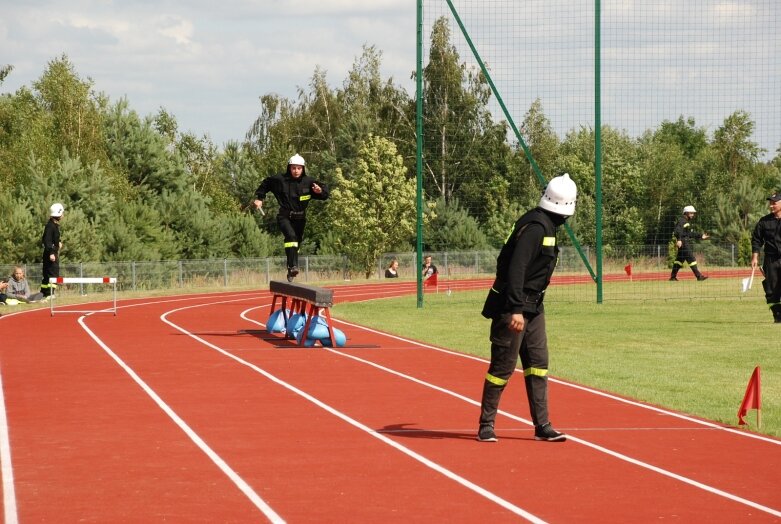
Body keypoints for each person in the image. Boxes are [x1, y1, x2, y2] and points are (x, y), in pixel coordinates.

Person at [477, 173, 577, 443]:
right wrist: (516, 310)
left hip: (534, 307)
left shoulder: (546, 225)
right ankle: (486, 425)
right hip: (514, 307)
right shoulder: (536, 227)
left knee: (538, 365)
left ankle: (542, 425)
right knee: (502, 367)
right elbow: (516, 268)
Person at [253, 154, 330, 282]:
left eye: (299, 168)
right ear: (289, 168)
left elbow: (325, 194)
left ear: (303, 169)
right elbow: (265, 184)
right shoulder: (280, 180)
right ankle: (293, 266)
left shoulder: (309, 182)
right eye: (293, 168)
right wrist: (259, 198)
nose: (296, 171)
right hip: (284, 216)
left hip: (300, 218)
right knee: (291, 237)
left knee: (296, 243)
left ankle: (290, 269)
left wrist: (319, 192)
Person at [750, 191, 781, 323]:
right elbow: (757, 240)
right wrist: (754, 257)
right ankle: (777, 316)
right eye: (770, 203)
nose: (771, 206)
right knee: (771, 289)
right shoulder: (764, 221)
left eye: (774, 203)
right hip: (770, 260)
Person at [669, 205, 710, 281]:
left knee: (679, 260)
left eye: (693, 213)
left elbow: (689, 234)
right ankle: (699, 276)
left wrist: (701, 236)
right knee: (691, 259)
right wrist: (679, 240)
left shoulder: (686, 222)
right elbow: (677, 231)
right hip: (683, 242)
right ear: (686, 213)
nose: (693, 215)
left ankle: (672, 277)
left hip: (684, 241)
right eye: (691, 213)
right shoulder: (682, 221)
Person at [40, 203, 64, 298]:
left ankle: (44, 293)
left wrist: (59, 243)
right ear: (58, 214)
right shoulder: (51, 226)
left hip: (51, 253)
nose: (63, 215)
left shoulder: (53, 225)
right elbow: (47, 241)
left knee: (48, 274)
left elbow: (54, 239)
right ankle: (49, 293)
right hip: (51, 254)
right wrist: (52, 253)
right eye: (62, 213)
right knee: (52, 274)